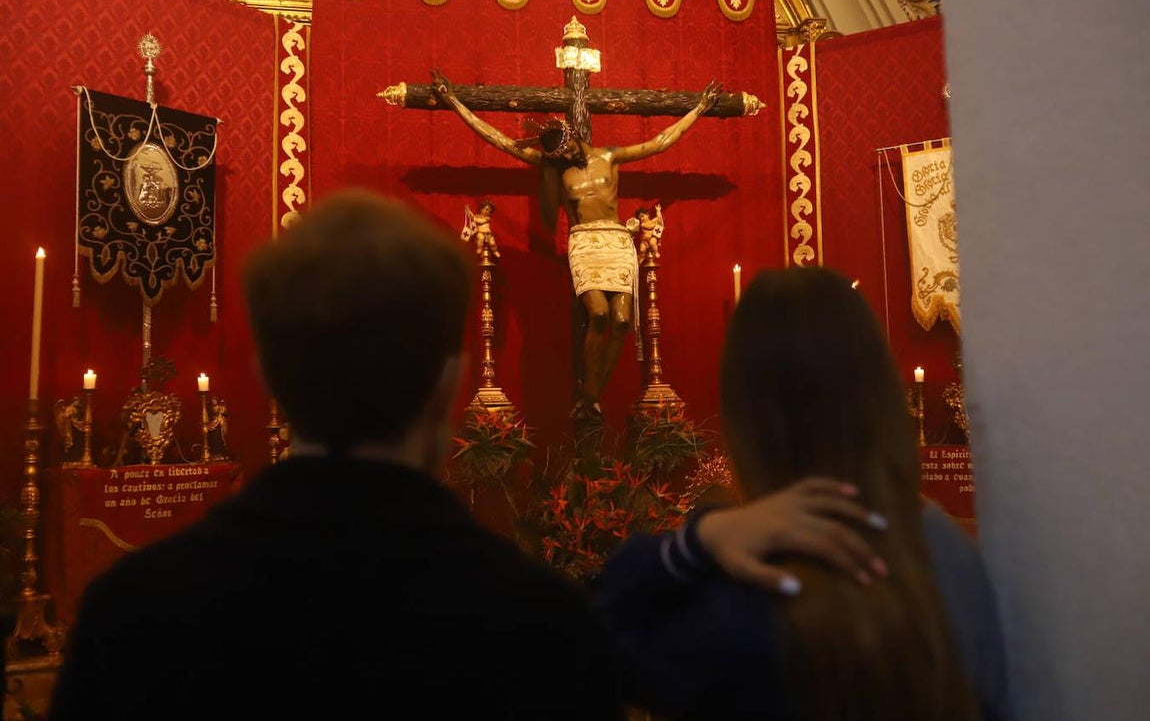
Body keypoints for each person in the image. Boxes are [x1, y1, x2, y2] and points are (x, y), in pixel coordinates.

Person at [47, 190, 886, 721]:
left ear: (266, 372)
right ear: (453, 381)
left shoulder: (132, 612)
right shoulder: (536, 623)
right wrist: (693, 543)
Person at [593, 266, 1010, 721]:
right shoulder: (944, 550)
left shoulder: (735, 587)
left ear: (743, 415)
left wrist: (698, 539)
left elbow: (588, 646)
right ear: (880, 392)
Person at [432, 70, 721, 421]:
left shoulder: (609, 157)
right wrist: (455, 103)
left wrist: (699, 110)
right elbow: (500, 140)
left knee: (621, 320)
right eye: (558, 153)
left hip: (616, 241)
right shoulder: (557, 169)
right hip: (584, 242)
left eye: (566, 145)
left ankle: (592, 396)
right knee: (598, 313)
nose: (565, 153)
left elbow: (658, 142)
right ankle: (589, 394)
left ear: (572, 134)